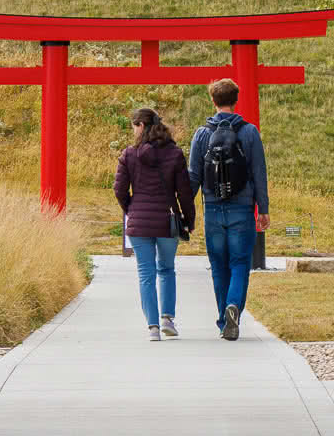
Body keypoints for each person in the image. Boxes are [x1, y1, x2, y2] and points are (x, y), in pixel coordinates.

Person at [189, 78, 268, 341]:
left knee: (219, 266)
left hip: (212, 209)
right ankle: (234, 305)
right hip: (242, 209)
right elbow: (258, 173)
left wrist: (184, 209)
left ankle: (224, 319)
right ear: (236, 100)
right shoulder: (250, 132)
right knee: (239, 263)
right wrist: (263, 209)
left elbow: (194, 176)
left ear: (213, 101)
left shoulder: (202, 134)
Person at [115, 106, 194, 341]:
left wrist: (131, 208)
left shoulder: (128, 154)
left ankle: (153, 328)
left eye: (134, 127)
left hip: (139, 223)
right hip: (167, 222)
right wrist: (189, 220)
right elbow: (185, 193)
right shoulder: (175, 153)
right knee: (167, 269)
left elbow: (119, 189)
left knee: (145, 274)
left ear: (140, 126)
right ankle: (167, 318)